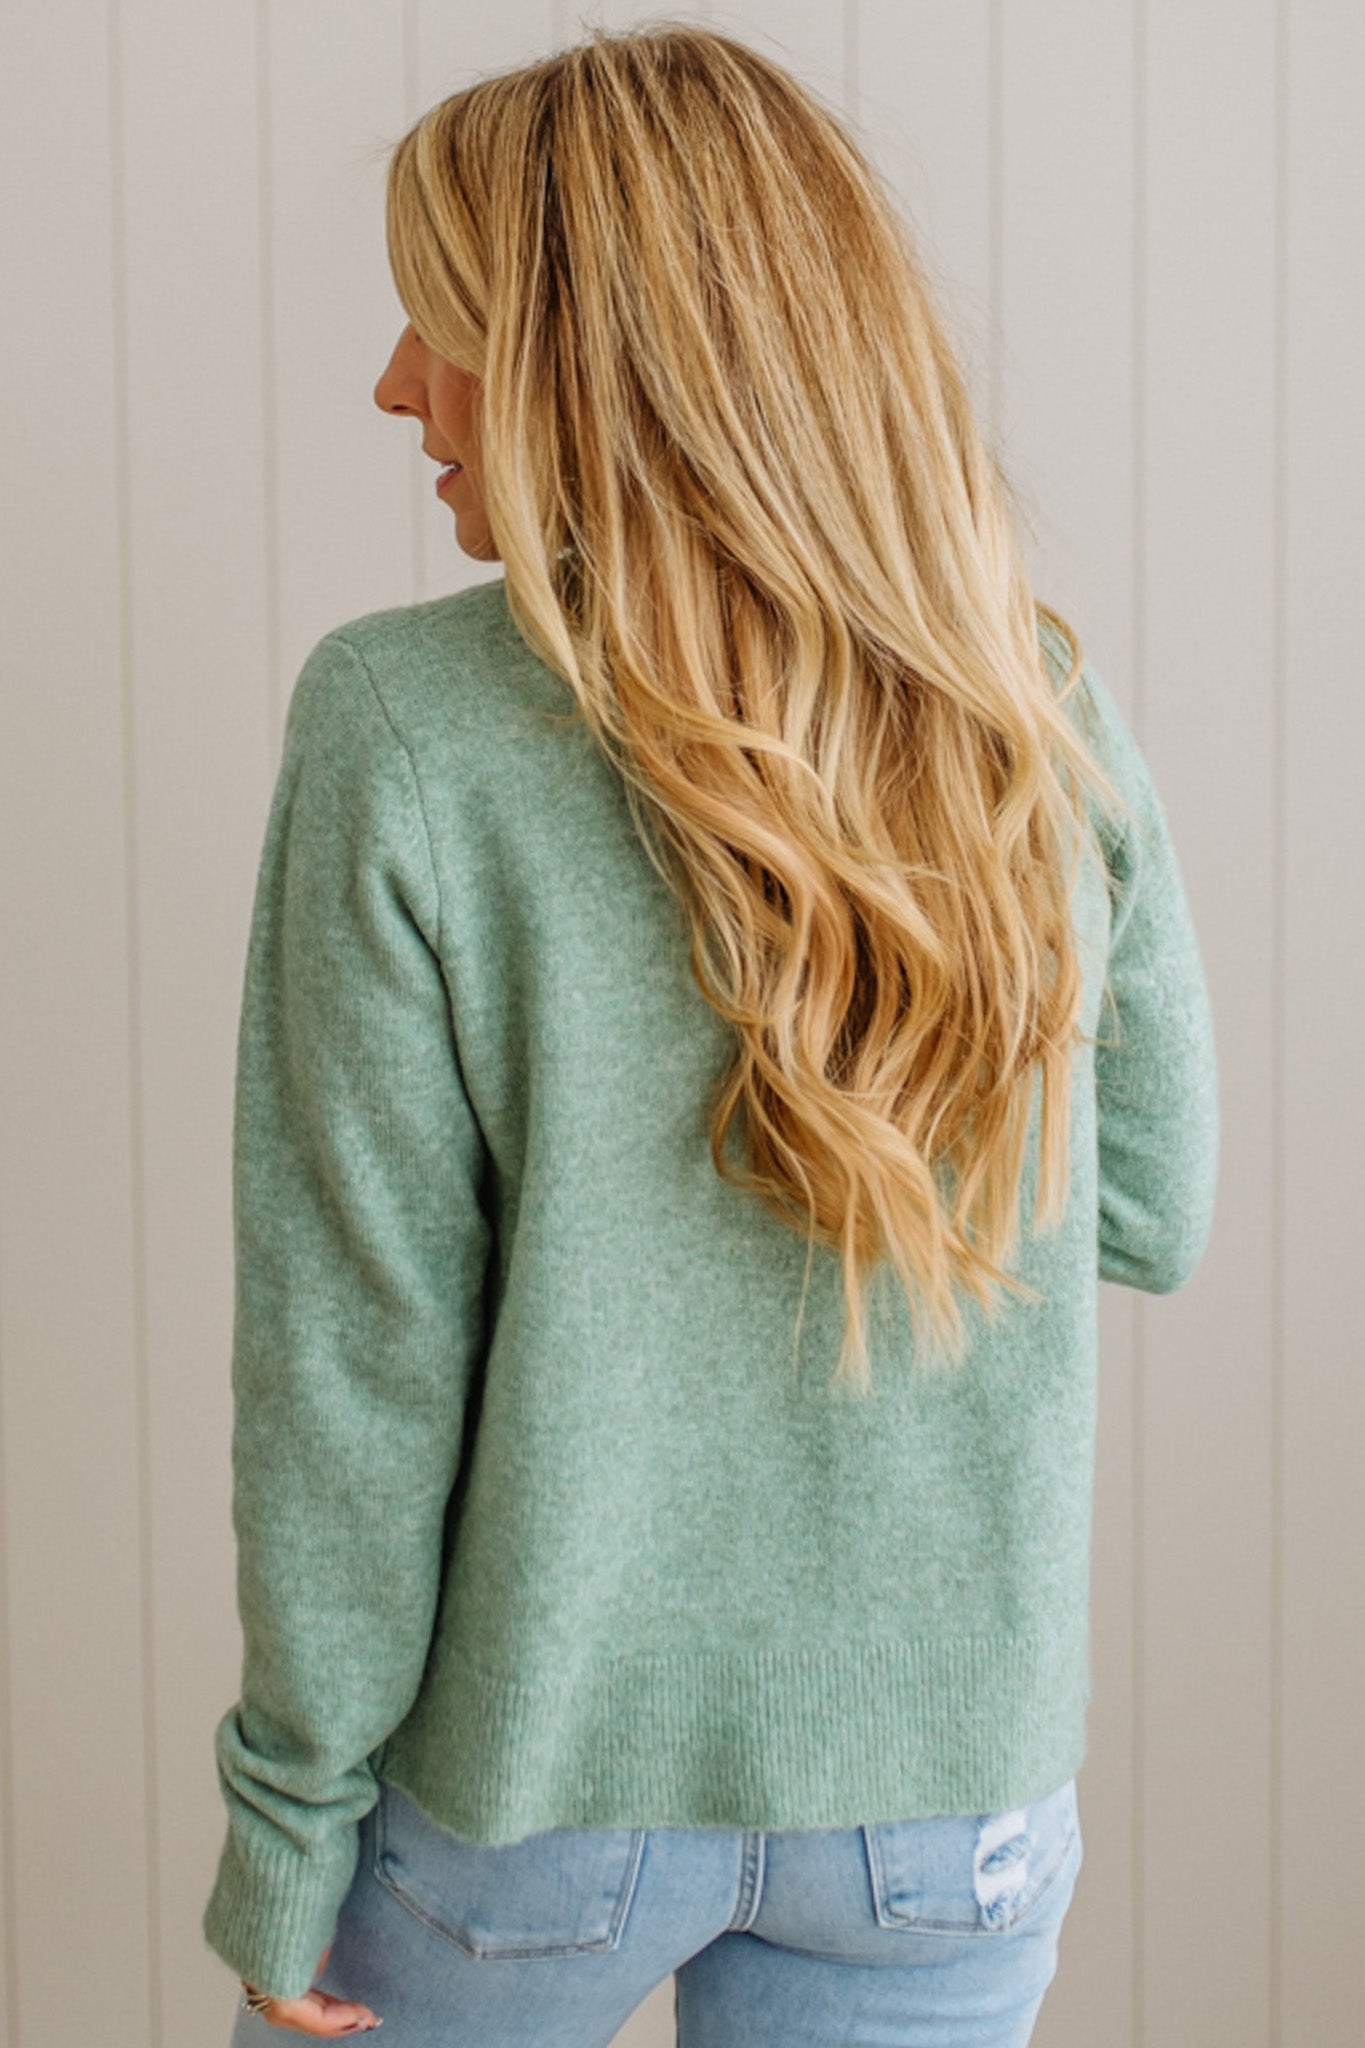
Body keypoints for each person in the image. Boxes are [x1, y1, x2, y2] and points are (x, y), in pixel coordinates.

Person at [201, 22, 1219, 2046]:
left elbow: (355, 1365)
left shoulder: (404, 732)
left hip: (534, 1799)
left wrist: (288, 1816)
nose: (396, 382)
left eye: (442, 325)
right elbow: (1144, 1204)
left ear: (597, 366)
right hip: (946, 1808)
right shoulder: (1023, 703)